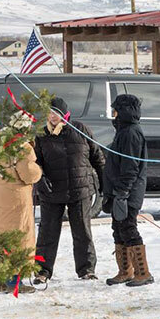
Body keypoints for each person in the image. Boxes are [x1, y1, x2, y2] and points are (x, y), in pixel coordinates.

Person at [34, 96, 106, 282]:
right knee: (47, 232)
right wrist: (39, 179)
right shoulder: (41, 135)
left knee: (82, 231)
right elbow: (34, 162)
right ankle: (42, 271)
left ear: (64, 114)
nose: (52, 117)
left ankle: (86, 269)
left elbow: (97, 157)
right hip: (51, 191)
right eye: (49, 113)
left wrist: (104, 183)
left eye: (56, 113)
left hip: (79, 189)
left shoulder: (80, 129)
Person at [0, 113, 42, 294]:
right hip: (16, 200)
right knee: (19, 238)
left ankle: (0, 280)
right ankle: (14, 282)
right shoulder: (22, 147)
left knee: (1, 236)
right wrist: (39, 170)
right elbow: (28, 174)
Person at [102, 93, 153, 286]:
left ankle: (143, 272)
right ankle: (125, 271)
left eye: (116, 108)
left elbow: (131, 166)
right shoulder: (122, 131)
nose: (113, 112)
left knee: (128, 227)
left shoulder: (132, 132)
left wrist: (123, 191)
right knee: (118, 229)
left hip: (128, 191)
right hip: (118, 190)